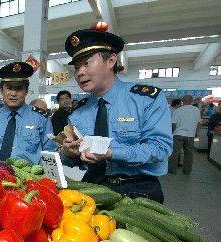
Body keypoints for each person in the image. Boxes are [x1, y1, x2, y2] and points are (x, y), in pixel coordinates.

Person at [61, 26, 172, 203]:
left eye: (86, 63)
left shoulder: (146, 99)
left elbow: (160, 149)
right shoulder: (77, 112)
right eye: (76, 66)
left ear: (111, 60)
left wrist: (112, 153)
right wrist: (68, 153)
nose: (79, 72)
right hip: (93, 188)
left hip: (139, 190)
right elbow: (72, 162)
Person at [0, 62, 55, 164]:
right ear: (2, 91)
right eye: (9, 88)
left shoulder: (41, 118)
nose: (13, 93)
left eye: (19, 89)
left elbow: (49, 151)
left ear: (26, 91)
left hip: (30, 177)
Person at [168, 95, 201, 175]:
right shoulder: (196, 110)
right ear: (192, 100)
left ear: (182, 100)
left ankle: (172, 169)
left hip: (178, 134)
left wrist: (173, 132)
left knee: (175, 153)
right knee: (189, 154)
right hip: (190, 135)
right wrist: (197, 133)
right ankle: (187, 171)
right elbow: (198, 123)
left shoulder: (178, 110)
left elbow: (173, 124)